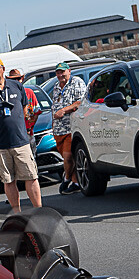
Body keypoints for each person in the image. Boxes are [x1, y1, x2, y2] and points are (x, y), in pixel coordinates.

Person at [0, 56, 42, 212]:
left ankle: (39, 210)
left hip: (21, 141)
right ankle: (17, 213)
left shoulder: (17, 86)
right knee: (8, 180)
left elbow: (24, 109)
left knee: (31, 176)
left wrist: (16, 126)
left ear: (3, 69)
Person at [51, 62, 87, 195]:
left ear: (69, 71)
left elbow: (80, 102)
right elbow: (55, 105)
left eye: (62, 72)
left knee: (68, 157)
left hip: (71, 127)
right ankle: (76, 182)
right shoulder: (56, 86)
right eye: (58, 72)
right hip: (58, 129)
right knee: (68, 159)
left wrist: (64, 111)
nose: (60, 75)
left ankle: (66, 178)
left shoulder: (77, 82)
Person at [7, 68, 42, 155]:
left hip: (28, 133)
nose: (16, 81)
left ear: (22, 79)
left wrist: (30, 127)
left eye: (18, 78)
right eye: (13, 79)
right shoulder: (6, 95)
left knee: (32, 157)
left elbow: (37, 111)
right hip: (14, 135)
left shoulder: (29, 92)